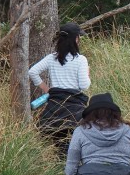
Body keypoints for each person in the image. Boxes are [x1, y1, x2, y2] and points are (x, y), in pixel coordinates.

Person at [28, 22, 91, 154]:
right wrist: (87, 75)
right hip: (75, 106)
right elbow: (84, 86)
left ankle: (60, 162)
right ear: (75, 39)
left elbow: (32, 72)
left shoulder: (51, 58)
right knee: (75, 141)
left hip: (55, 106)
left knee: (58, 143)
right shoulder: (81, 60)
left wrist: (47, 89)